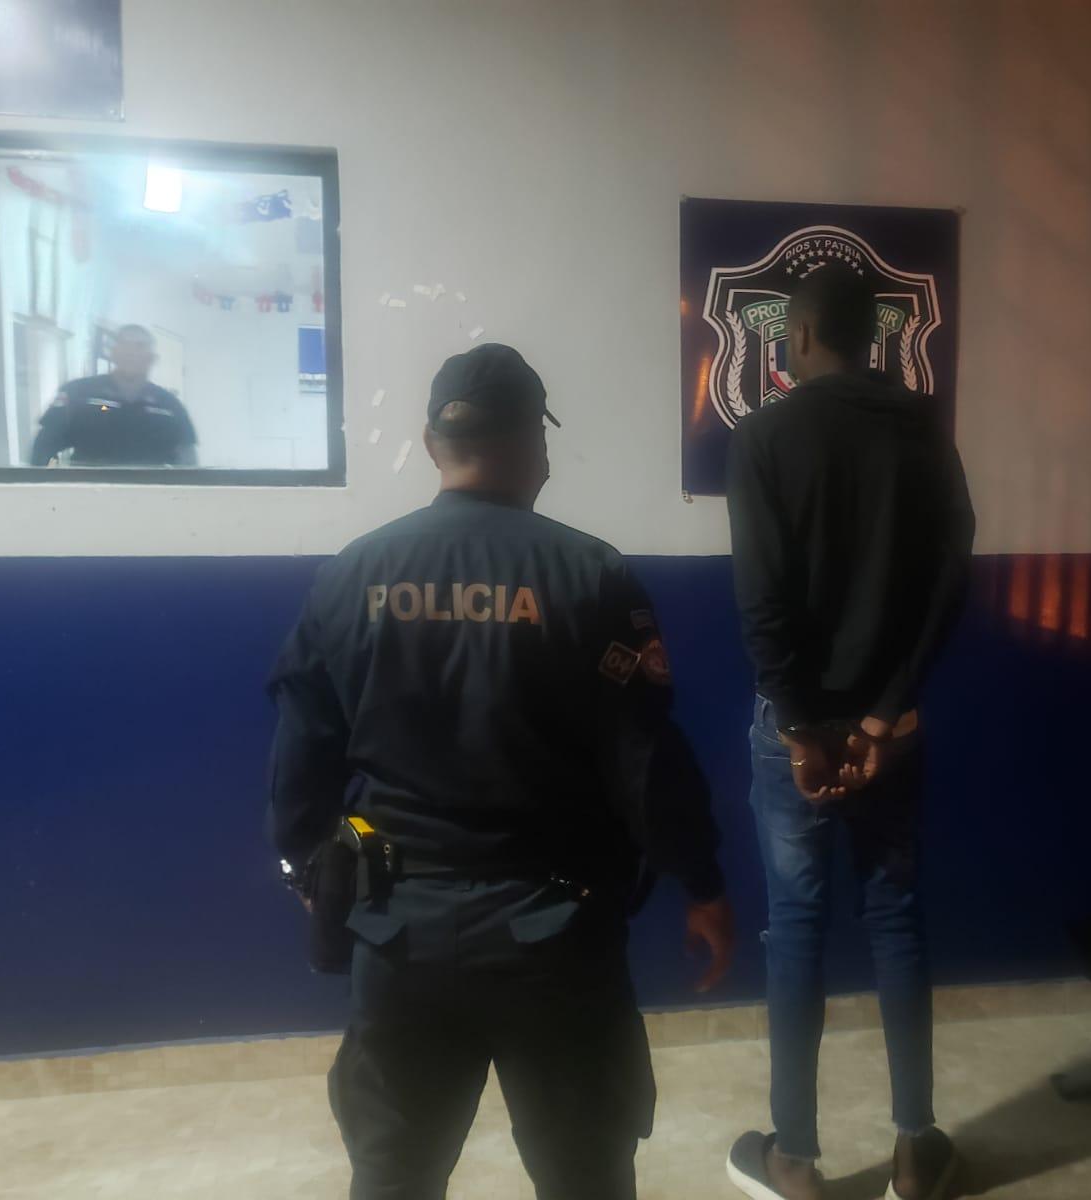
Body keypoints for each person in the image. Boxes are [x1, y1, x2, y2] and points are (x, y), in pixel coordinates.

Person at [266, 343, 735, 1200]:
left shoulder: (351, 575)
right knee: (585, 1174)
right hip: (555, 936)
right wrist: (701, 881)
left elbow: (302, 754)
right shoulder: (589, 575)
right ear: (531, 442)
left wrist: (307, 869)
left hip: (399, 931)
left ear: (432, 443)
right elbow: (645, 763)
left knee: (393, 1175)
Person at [724, 267, 975, 1200]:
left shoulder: (763, 436)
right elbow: (951, 579)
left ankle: (794, 1158)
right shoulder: (923, 429)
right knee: (895, 917)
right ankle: (914, 1154)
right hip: (890, 725)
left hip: (794, 728)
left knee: (795, 925)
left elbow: (761, 600)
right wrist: (882, 713)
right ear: (874, 337)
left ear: (797, 336)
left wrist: (799, 730)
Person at [30, 324, 198, 467]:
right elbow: (43, 449)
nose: (131, 352)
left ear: (152, 358)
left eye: (140, 346)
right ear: (113, 353)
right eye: (125, 344)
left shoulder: (169, 405)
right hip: (88, 491)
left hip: (154, 492)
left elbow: (189, 463)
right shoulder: (79, 393)